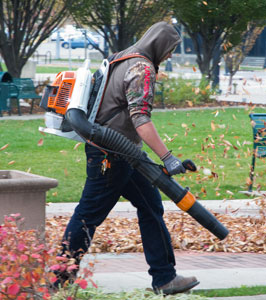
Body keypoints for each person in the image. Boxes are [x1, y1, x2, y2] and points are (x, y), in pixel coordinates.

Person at [55, 21, 199, 295]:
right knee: (88, 216)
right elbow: (140, 119)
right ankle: (58, 281)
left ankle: (165, 279)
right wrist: (167, 157)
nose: (168, 56)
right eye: (170, 50)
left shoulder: (124, 55)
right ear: (160, 45)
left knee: (151, 207)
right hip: (111, 156)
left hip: (121, 154)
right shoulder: (142, 67)